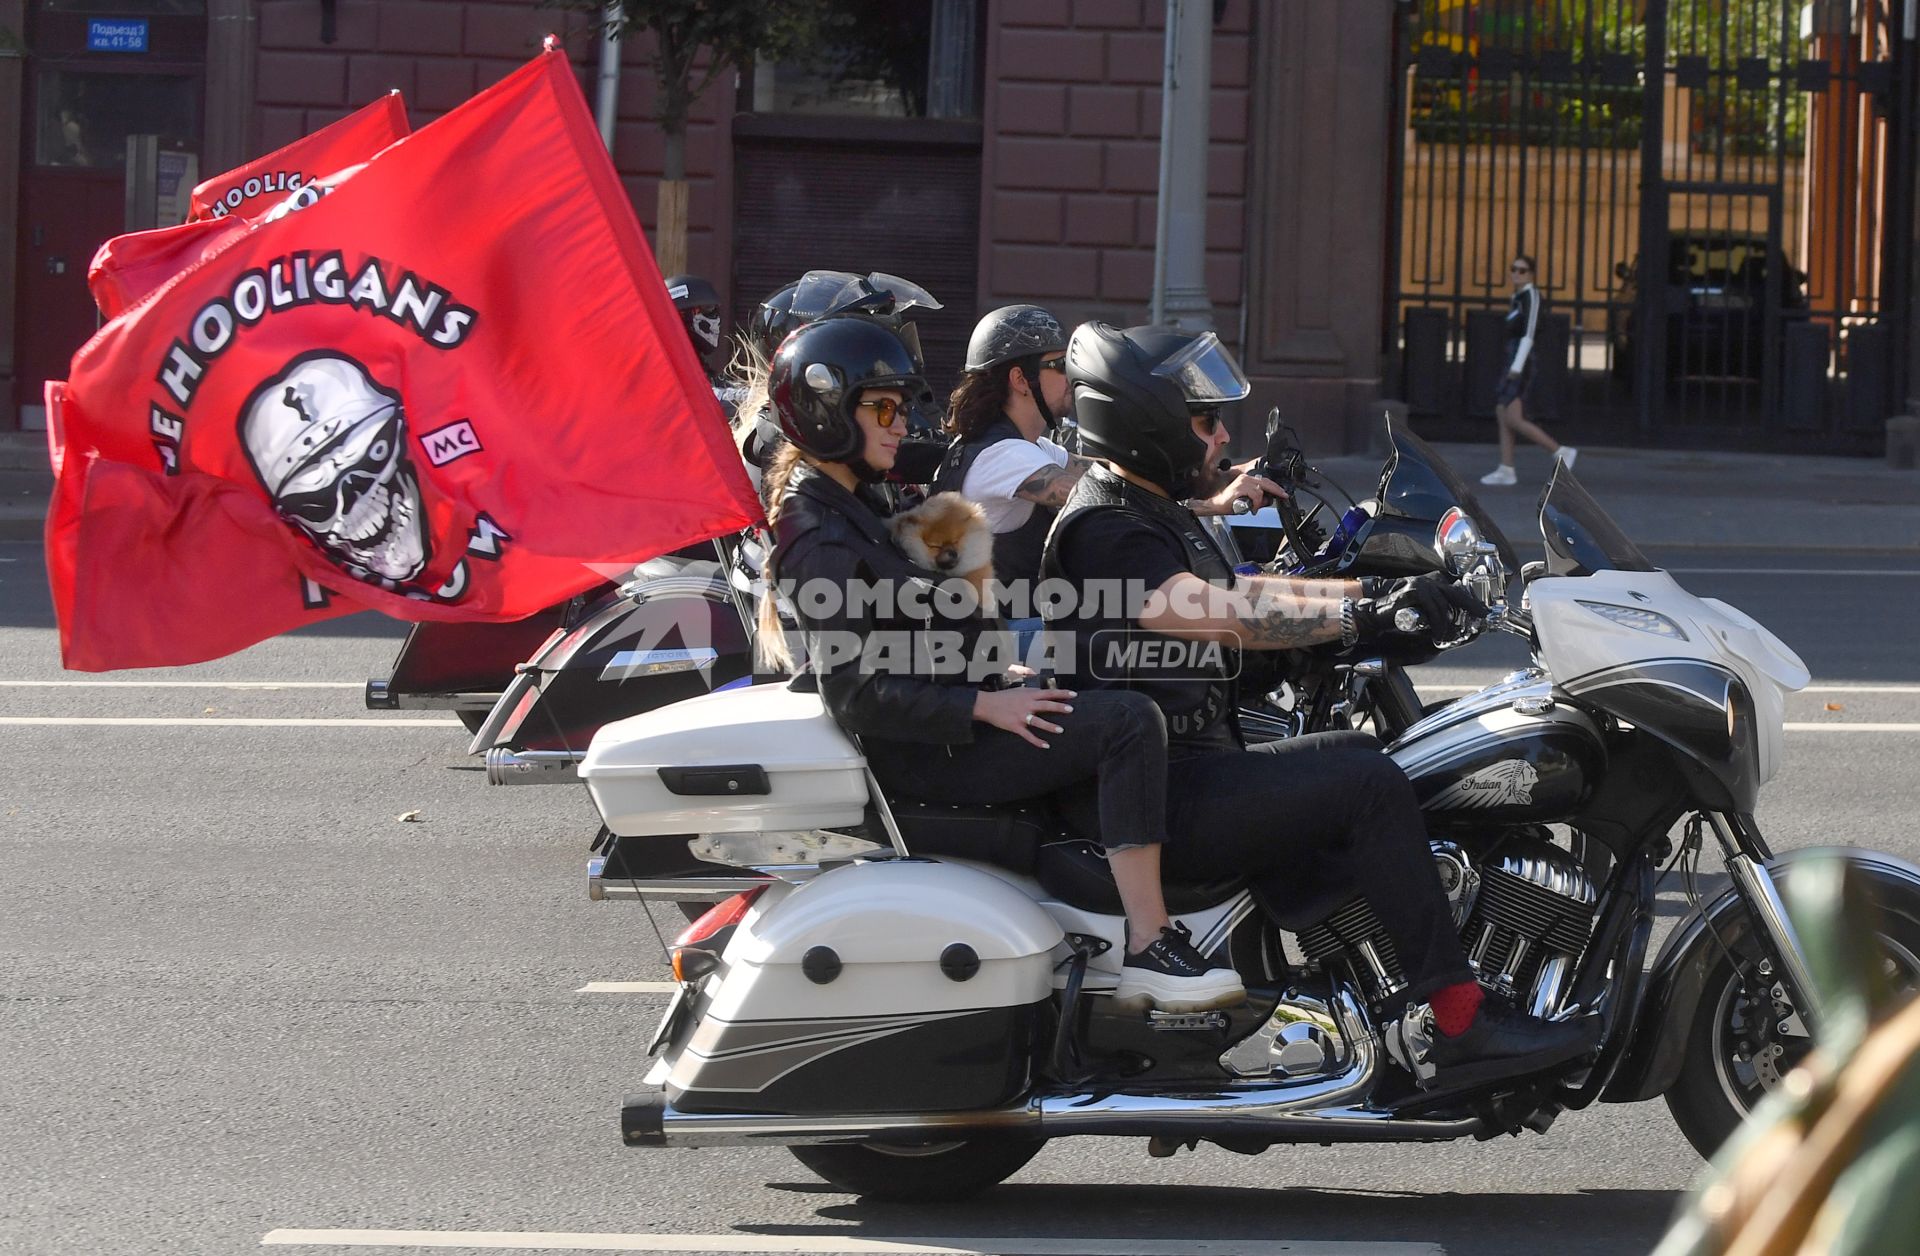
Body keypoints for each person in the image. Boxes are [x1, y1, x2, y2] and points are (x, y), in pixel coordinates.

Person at [1044, 321, 1599, 1085]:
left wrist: (1379, 596)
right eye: (1206, 422)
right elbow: (1211, 610)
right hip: (1158, 795)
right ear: (1148, 427)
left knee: (1365, 760)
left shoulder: (1145, 507)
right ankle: (1460, 1023)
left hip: (1189, 767)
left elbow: (1250, 592)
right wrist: (1362, 617)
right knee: (1368, 783)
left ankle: (1347, 993)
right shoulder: (1106, 527)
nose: (1223, 437)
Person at [757, 315, 1243, 1012]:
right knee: (1128, 721)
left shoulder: (852, 501)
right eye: (883, 407)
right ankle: (1149, 942)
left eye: (903, 406)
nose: (900, 424)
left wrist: (995, 673)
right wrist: (984, 705)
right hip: (920, 754)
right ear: (829, 411)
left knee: (1087, 683)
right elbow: (857, 691)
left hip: (945, 722)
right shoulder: (817, 534)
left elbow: (913, 631)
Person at [930, 305, 1092, 652]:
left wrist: (1213, 477)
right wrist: (1205, 504)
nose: (1073, 379)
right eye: (1061, 366)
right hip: (994, 642)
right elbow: (1095, 494)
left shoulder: (1021, 447)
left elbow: (1105, 472)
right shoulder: (1005, 456)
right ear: (1020, 380)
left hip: (991, 632)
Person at [1480, 254, 1575, 487]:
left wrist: (1517, 366)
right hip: (1512, 355)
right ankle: (1506, 468)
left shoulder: (1531, 296)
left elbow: (1529, 333)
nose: (1516, 274)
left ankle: (1560, 451)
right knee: (1503, 410)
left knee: (1512, 415)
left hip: (1521, 359)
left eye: (1522, 270)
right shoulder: (1518, 297)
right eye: (1514, 269)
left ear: (1531, 274)